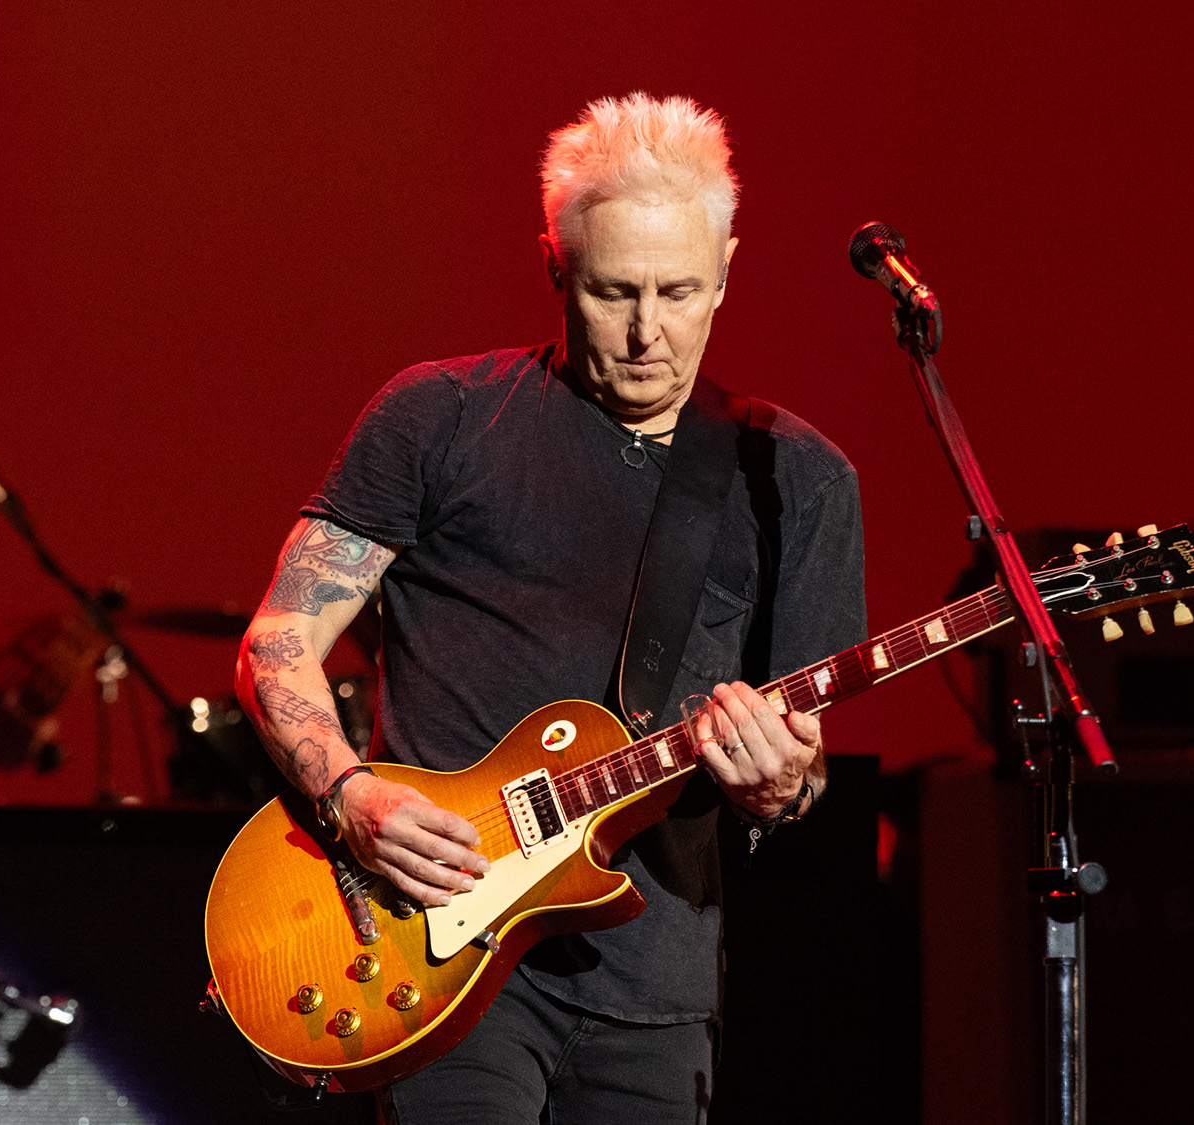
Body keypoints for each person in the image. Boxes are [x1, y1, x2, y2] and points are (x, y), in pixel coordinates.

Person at [234, 94, 866, 1120]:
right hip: (435, 960)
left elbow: (799, 768)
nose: (647, 331)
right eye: (613, 291)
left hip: (653, 986)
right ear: (553, 267)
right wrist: (351, 799)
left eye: (679, 291)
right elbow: (278, 643)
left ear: (727, 269)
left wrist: (778, 783)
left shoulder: (791, 479)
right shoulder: (438, 419)